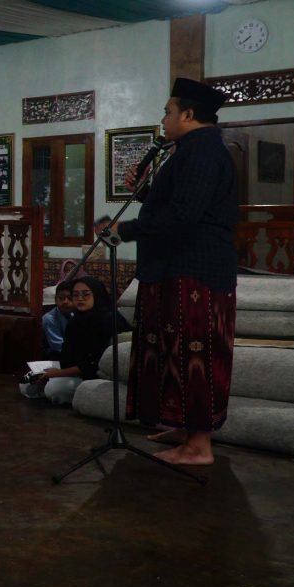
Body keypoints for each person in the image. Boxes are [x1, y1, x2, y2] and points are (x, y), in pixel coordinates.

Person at [103, 78, 238, 466]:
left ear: (188, 114)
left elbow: (184, 215)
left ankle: (198, 447)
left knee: (194, 355)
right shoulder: (191, 150)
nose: (163, 120)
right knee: (173, 355)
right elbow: (183, 204)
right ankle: (184, 430)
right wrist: (147, 193)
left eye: (167, 112)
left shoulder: (201, 152)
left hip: (193, 272)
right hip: (176, 268)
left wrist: (123, 229)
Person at [22, 277, 128, 406]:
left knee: (54, 389)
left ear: (97, 294)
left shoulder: (109, 320)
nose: (80, 298)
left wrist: (58, 374)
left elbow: (94, 364)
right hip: (72, 371)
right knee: (27, 381)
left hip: (94, 375)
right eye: (76, 295)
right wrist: (52, 372)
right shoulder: (75, 320)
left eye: (86, 294)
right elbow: (67, 356)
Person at [42, 282, 74, 359]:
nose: (65, 302)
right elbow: (59, 347)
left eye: (70, 298)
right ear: (55, 300)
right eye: (61, 298)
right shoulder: (49, 318)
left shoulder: (76, 313)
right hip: (57, 356)